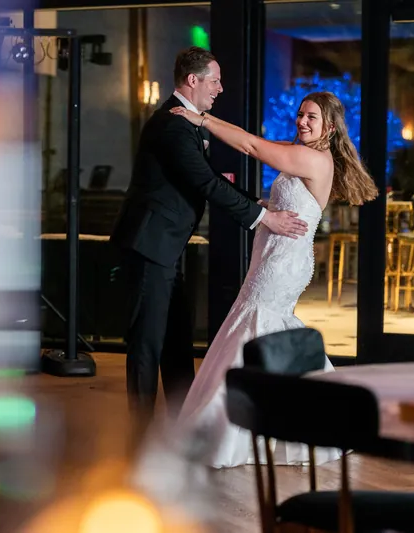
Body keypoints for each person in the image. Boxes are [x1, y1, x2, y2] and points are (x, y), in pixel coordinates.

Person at [133, 90, 377, 499]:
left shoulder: (314, 158)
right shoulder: (302, 152)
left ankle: (239, 426)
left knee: (256, 327)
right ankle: (290, 415)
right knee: (263, 331)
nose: (301, 122)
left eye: (311, 118)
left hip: (283, 262)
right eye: (300, 115)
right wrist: (267, 205)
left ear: (329, 129)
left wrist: (202, 120)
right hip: (274, 253)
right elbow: (258, 149)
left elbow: (250, 145)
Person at [109, 47, 308, 440]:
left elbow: (211, 177)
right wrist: (263, 218)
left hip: (166, 248)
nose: (220, 88)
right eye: (214, 80)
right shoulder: (171, 124)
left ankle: (183, 428)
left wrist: (256, 202)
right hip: (149, 247)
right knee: (148, 345)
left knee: (177, 343)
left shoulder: (188, 122)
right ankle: (140, 439)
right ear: (193, 80)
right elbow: (206, 183)